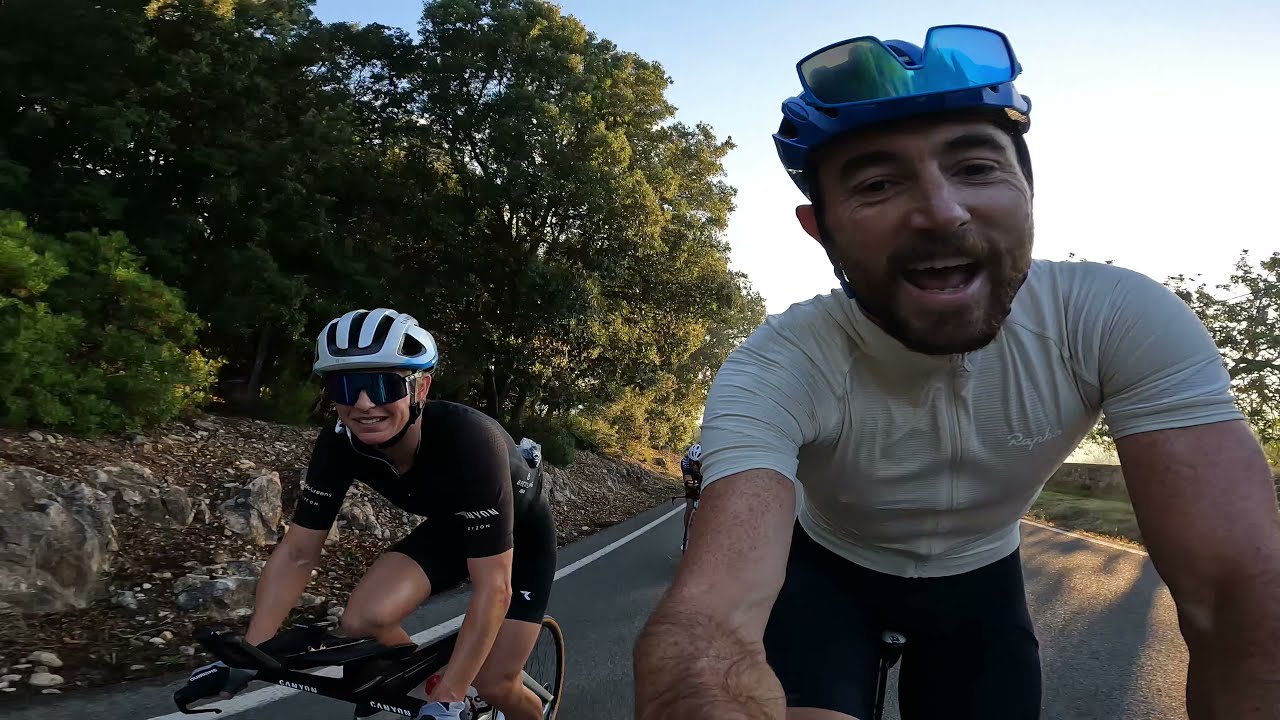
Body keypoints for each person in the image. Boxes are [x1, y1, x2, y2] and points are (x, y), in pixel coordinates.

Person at [633, 24, 1280, 720]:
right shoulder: (778, 363)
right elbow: (712, 622)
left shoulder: (1118, 319)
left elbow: (1241, 602)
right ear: (820, 230)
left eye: (975, 168)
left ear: (1028, 191)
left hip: (980, 582)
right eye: (878, 183)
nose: (941, 212)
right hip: (826, 574)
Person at [191, 308, 558, 720]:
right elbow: (297, 552)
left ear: (421, 388)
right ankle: (441, 683)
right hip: (455, 525)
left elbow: (494, 588)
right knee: (363, 621)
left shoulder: (472, 442)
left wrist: (449, 697)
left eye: (383, 385)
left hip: (521, 539)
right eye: (345, 386)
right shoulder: (339, 444)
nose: (364, 404)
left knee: (495, 682)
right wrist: (252, 655)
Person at [679, 443, 704, 552]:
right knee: (689, 505)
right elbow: (687, 479)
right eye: (692, 462)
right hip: (692, 480)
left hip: (704, 477)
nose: (694, 465)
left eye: (697, 463)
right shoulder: (685, 462)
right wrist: (693, 486)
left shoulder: (707, 462)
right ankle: (687, 537)